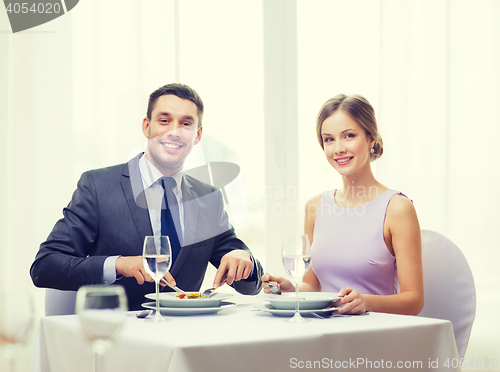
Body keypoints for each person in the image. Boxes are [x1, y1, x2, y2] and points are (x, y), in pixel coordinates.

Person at [31, 83, 263, 310]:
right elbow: (45, 266)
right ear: (146, 126)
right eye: (164, 120)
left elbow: (248, 285)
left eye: (186, 123)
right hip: (116, 336)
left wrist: (245, 260)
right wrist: (120, 264)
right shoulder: (98, 186)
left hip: (187, 337)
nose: (174, 131)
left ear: (197, 135)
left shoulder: (209, 198)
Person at [262, 94, 424, 315]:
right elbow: (314, 287)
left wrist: (366, 302)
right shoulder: (315, 208)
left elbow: (414, 300)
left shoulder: (397, 208)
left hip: (377, 334)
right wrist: (291, 288)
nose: (338, 148)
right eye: (329, 139)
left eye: (348, 136)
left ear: (371, 139)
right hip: (325, 331)